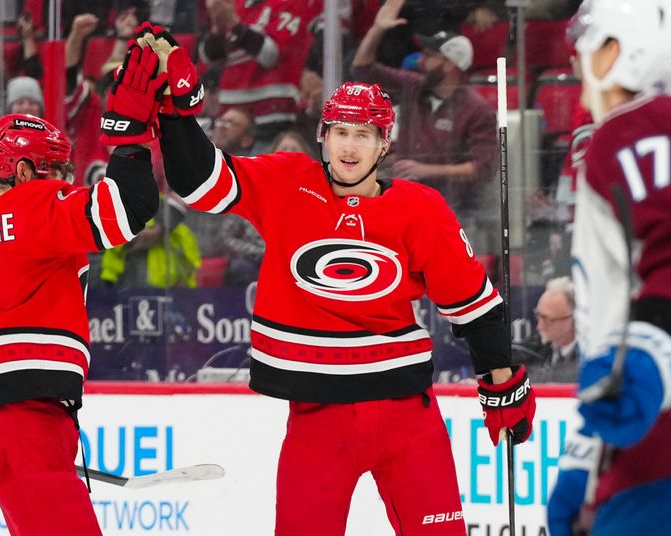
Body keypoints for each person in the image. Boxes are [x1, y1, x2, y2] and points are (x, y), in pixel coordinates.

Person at [137, 27, 536, 535]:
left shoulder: (420, 208)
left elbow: (475, 308)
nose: (350, 147)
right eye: (341, 133)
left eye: (364, 135)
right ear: (323, 135)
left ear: (384, 143)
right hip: (316, 419)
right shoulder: (286, 181)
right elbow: (197, 181)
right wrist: (177, 110)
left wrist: (501, 381)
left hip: (405, 419)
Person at [0, 45, 162, 534]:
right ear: (27, 173)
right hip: (20, 419)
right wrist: (130, 131)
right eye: (57, 171)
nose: (65, 182)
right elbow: (127, 209)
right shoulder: (33, 205)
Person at [547, 1, 671, 535]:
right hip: (637, 449)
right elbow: (616, 326)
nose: (577, 67)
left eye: (588, 51)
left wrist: (648, 357)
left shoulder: (639, 129)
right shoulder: (616, 135)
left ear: (620, 50)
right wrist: (584, 459)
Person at [351, 1, 499, 253]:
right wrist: (377, 29)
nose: (421, 60)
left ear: (450, 65)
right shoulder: (414, 85)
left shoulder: (476, 109)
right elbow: (361, 70)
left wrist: (425, 169)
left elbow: (483, 168)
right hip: (403, 203)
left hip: (453, 213)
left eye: (430, 56)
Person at [199, 0, 322, 143]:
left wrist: (233, 23)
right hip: (229, 112)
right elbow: (208, 57)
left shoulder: (290, 3)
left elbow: (271, 56)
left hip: (271, 113)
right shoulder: (237, 5)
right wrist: (217, 30)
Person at [520, 276, 578, 383]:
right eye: (538, 315)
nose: (539, 326)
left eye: (548, 320)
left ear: (573, 319)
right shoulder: (534, 349)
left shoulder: (589, 357)